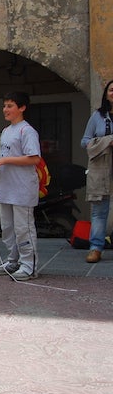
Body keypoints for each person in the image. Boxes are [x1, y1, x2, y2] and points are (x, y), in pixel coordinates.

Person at [0, 91, 41, 279]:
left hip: (22, 189)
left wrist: (4, 161)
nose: (5, 110)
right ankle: (13, 260)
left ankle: (29, 265)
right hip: (6, 188)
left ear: (22, 108)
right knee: (8, 227)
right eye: (4, 106)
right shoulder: (6, 132)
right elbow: (6, 158)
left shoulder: (27, 131)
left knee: (23, 228)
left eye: (10, 106)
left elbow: (34, 158)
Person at [80, 79, 113, 263]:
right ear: (106, 94)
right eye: (111, 90)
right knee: (99, 210)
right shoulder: (97, 116)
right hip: (101, 168)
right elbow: (85, 141)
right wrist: (107, 141)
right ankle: (96, 248)